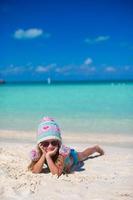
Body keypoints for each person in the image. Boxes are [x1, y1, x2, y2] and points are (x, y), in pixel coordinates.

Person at [28, 116, 104, 177]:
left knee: (83, 154)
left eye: (54, 142)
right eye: (45, 144)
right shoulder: (39, 153)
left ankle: (95, 148)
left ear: (58, 143)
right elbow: (35, 171)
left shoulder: (62, 154)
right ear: (40, 145)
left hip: (72, 157)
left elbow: (56, 174)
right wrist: (44, 155)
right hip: (46, 154)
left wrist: (47, 157)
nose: (50, 146)